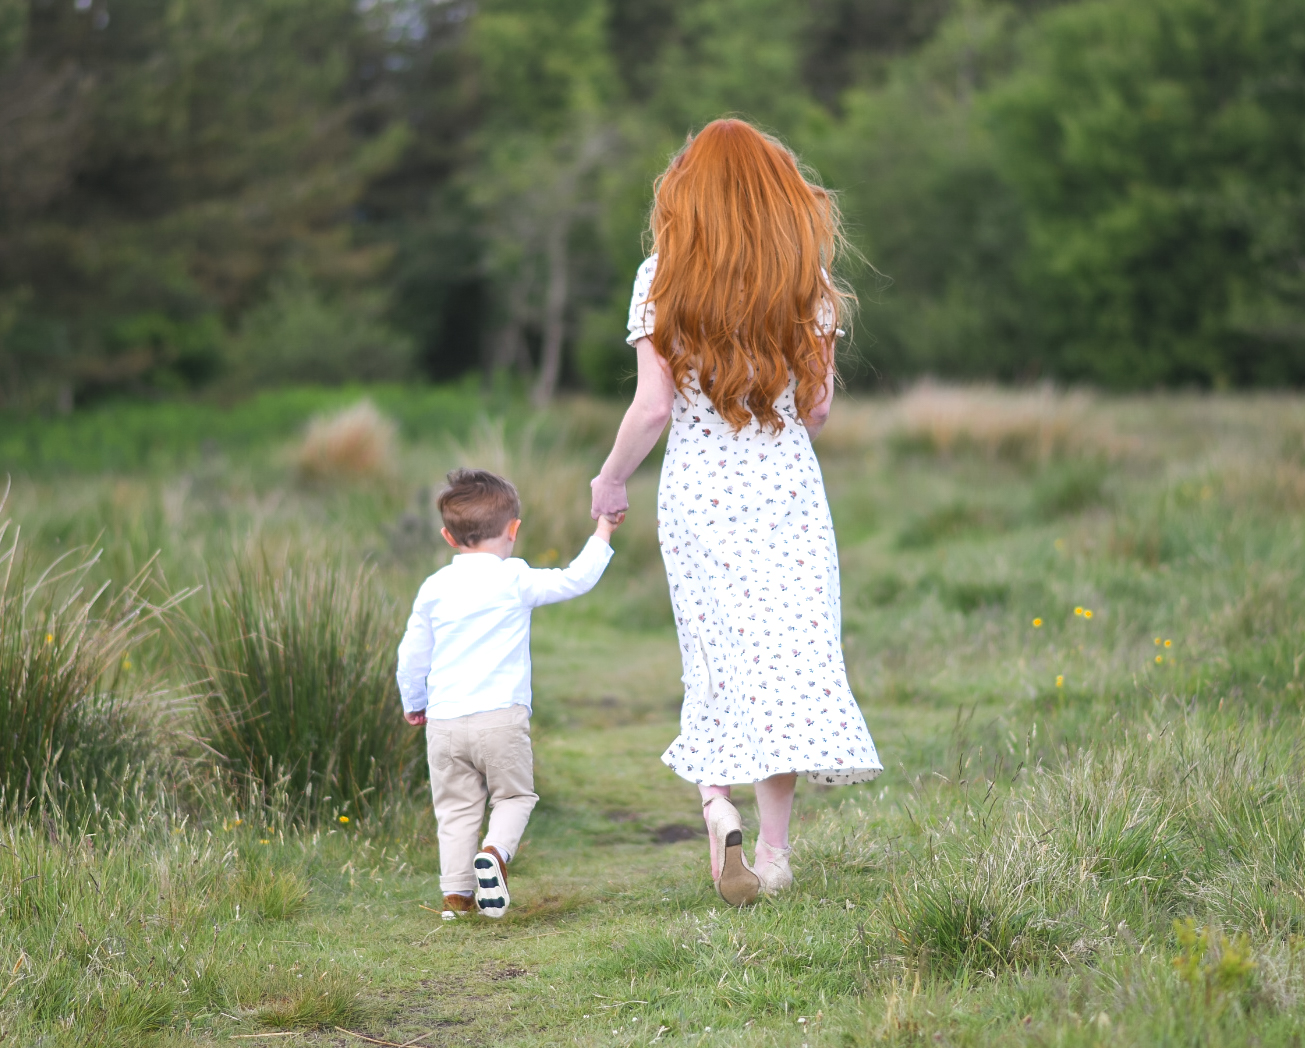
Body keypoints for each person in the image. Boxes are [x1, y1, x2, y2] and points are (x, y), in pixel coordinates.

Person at [589, 118, 882, 907]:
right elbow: (815, 413)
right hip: (785, 493)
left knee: (715, 655)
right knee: (785, 660)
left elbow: (652, 409)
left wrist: (610, 480)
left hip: (698, 497)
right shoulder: (805, 281)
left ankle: (717, 808)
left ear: (690, 194)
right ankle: (777, 855)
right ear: (777, 192)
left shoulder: (660, 277)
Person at [397, 468, 620, 919]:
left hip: (443, 721)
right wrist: (604, 528)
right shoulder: (514, 578)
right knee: (514, 798)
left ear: (448, 536)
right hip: (500, 717)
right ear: (513, 529)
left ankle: (457, 898)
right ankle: (494, 856)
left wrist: (413, 702)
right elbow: (576, 579)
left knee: (456, 808)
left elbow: (411, 654)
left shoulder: (433, 588)